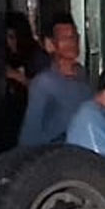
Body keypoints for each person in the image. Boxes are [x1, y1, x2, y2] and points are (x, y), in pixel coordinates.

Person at [18, 12, 93, 146]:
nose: (72, 42)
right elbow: (29, 134)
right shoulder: (44, 83)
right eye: (65, 38)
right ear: (50, 44)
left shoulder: (82, 75)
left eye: (74, 36)